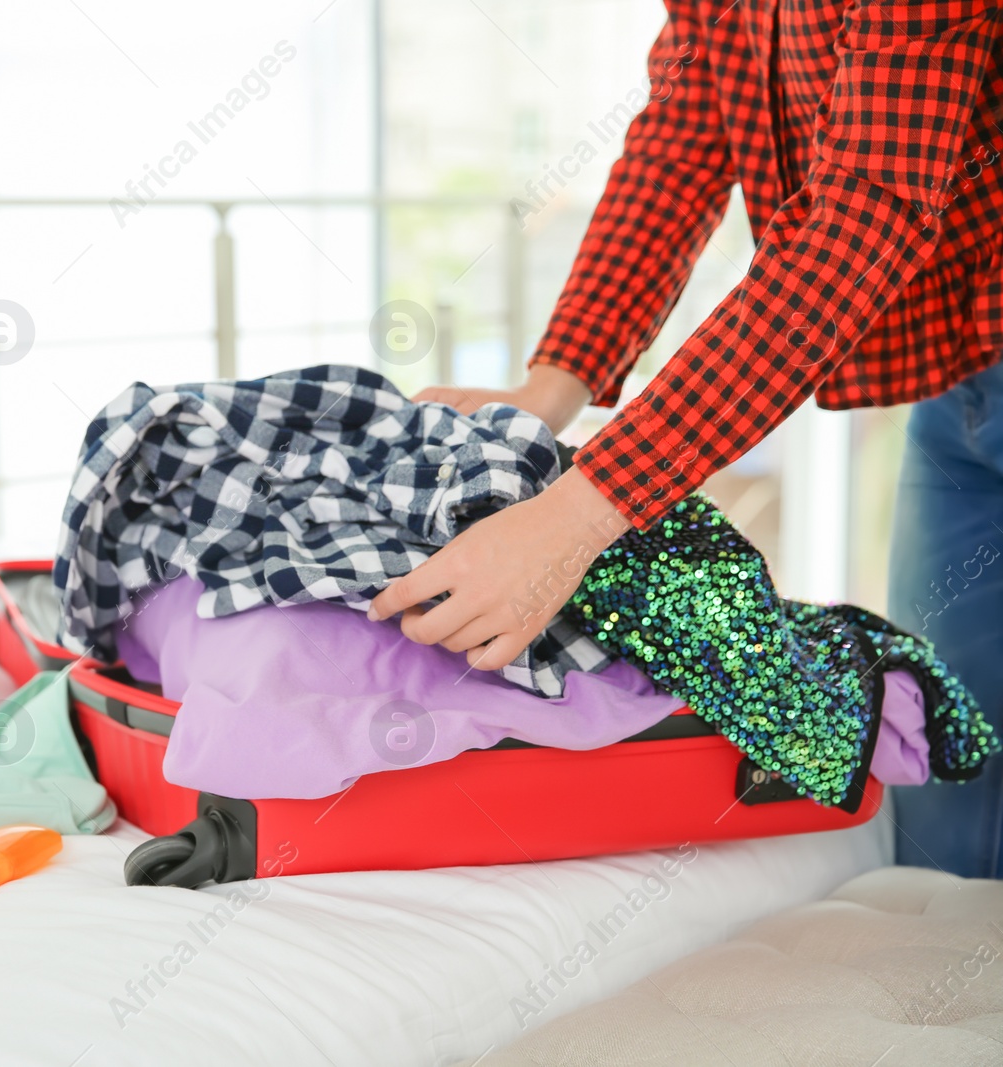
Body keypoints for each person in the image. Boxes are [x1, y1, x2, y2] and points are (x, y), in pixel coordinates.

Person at [368, 0, 1003, 877]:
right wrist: (552, 386)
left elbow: (863, 210)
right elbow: (683, 137)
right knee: (951, 751)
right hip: (963, 373)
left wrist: (578, 518)